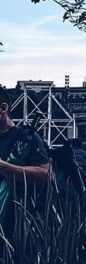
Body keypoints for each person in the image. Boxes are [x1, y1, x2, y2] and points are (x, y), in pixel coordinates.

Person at [0, 99, 51, 234]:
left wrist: (6, 167)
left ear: (3, 108)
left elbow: (46, 173)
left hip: (20, 222)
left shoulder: (26, 137)